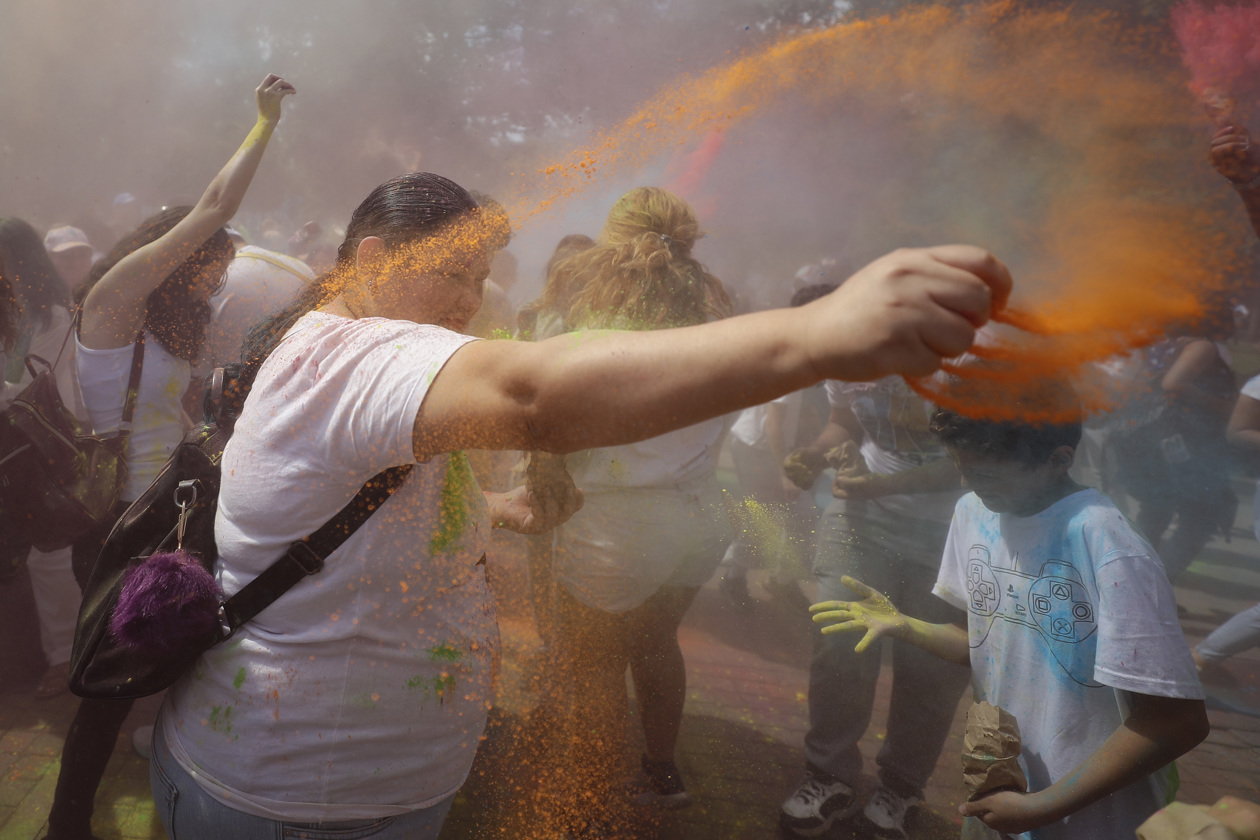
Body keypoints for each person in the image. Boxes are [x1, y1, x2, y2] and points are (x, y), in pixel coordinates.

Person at [141, 170, 1013, 839]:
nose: (469, 299)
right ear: (372, 261)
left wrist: (496, 514)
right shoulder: (346, 350)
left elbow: (350, 513)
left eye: (480, 276)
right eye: (450, 272)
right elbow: (536, 398)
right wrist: (818, 336)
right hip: (293, 797)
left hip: (370, 789)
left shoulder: (355, 352)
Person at [45, 73, 294, 840]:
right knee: (110, 679)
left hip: (171, 506)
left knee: (188, 644)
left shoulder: (168, 328)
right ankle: (66, 822)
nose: (217, 276)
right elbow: (215, 206)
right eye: (209, 262)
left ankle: (173, 760)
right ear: (172, 253)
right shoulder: (114, 300)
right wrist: (263, 124)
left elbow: (175, 411)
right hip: (119, 520)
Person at [812, 384, 1209, 840]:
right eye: (962, 468)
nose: (969, 485)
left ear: (1058, 459)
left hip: (1095, 818)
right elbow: (981, 643)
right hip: (1004, 794)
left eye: (988, 475)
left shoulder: (1107, 544)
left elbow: (1177, 721)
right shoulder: (973, 511)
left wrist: (1042, 807)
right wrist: (906, 625)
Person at [779, 358, 969, 839]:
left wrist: (881, 485)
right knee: (840, 641)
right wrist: (816, 454)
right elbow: (844, 422)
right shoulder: (856, 350)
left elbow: (974, 455)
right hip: (859, 518)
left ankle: (902, 787)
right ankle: (828, 776)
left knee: (929, 665)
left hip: (953, 529)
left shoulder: (974, 358)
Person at [0, 217, 87, 700]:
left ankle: (63, 657)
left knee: (47, 557)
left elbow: (27, 390)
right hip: (13, 446)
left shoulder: (48, 316)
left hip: (38, 450)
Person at [718, 283, 835, 613]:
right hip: (758, 446)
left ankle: (779, 580)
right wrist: (785, 472)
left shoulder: (808, 348)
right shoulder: (793, 353)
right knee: (770, 514)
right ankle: (738, 577)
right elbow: (772, 423)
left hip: (772, 446)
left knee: (799, 515)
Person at [1111, 311, 1237, 582]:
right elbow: (1174, 383)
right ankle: (1153, 587)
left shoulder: (1161, 345)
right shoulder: (1200, 346)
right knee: (1201, 517)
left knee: (1157, 511)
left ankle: (1130, 582)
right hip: (1183, 443)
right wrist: (1226, 408)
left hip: (1150, 438)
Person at [44, 225, 97, 292]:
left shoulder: (103, 292)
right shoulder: (40, 295)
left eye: (82, 255)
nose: (76, 263)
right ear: (48, 260)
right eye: (66, 256)